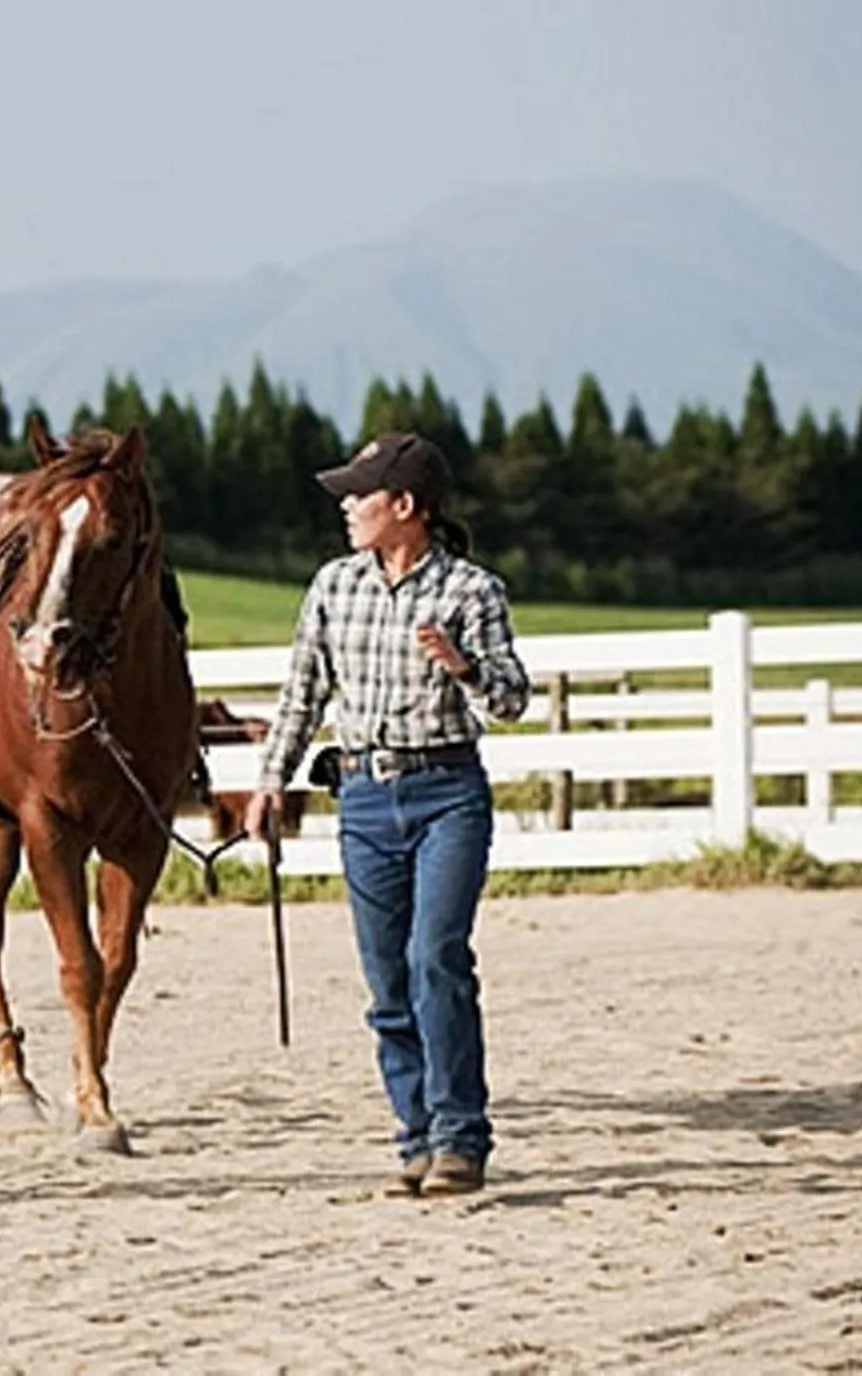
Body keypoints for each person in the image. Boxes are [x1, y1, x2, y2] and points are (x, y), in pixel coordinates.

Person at [245, 432, 531, 1198]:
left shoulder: (472, 592)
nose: (345, 506)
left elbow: (511, 699)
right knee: (386, 981)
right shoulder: (334, 587)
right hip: (365, 799)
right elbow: (302, 696)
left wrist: (463, 667)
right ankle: (414, 1136)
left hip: (447, 794)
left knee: (436, 955)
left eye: (359, 494)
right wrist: (270, 783)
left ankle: (459, 1136)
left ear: (404, 507)